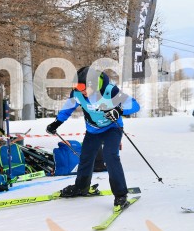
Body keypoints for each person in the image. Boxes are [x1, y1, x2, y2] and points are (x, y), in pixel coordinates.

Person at [46, 67, 140, 209]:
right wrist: (56, 123)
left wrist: (119, 110)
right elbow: (67, 108)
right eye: (76, 87)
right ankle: (81, 187)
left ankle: (121, 195)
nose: (80, 91)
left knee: (110, 156)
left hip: (112, 129)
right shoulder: (77, 93)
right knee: (85, 157)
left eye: (83, 88)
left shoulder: (109, 91)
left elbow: (134, 105)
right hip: (93, 130)